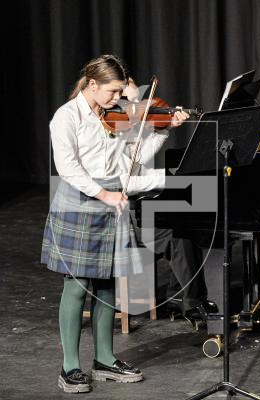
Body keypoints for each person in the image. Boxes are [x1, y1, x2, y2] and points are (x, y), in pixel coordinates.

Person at [40, 54, 188, 393]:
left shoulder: (113, 115)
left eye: (121, 91)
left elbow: (137, 157)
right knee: (76, 286)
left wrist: (165, 129)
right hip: (80, 202)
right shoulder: (66, 117)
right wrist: (105, 195)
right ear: (92, 85)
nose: (118, 98)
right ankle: (70, 367)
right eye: (113, 91)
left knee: (106, 286)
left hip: (111, 202)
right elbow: (69, 169)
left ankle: (105, 359)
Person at [123, 78, 218, 326]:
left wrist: (164, 129)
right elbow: (127, 182)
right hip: (115, 211)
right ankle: (192, 302)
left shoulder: (121, 123)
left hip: (135, 198)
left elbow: (140, 159)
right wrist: (169, 179)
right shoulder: (101, 127)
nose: (135, 109)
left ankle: (181, 297)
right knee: (177, 233)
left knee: (186, 219)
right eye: (128, 101)